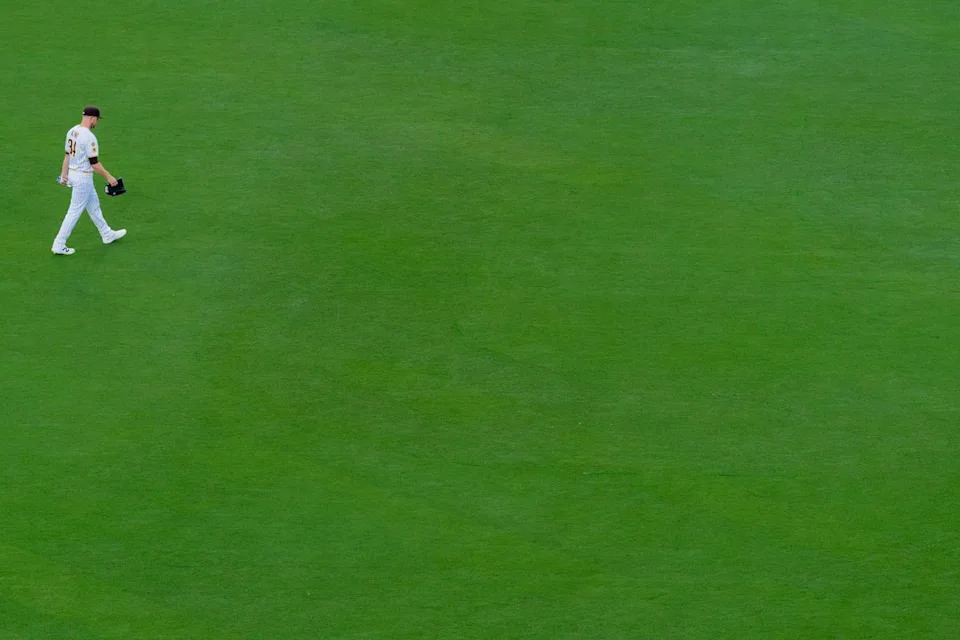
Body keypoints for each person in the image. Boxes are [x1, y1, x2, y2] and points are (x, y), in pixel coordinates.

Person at [51, 106, 126, 255]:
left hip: (74, 174)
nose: (96, 123)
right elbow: (94, 163)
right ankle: (59, 244)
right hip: (83, 178)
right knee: (74, 211)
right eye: (97, 120)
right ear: (93, 118)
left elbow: (67, 155)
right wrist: (109, 177)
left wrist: (64, 174)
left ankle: (106, 234)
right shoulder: (89, 137)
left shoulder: (72, 131)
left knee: (93, 206)